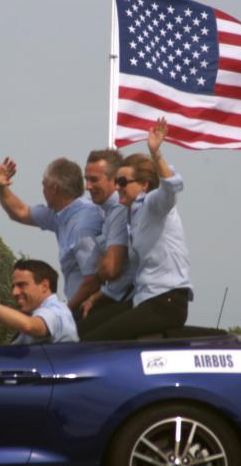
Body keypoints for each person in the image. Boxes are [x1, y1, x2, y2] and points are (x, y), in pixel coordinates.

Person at [83, 118, 193, 341]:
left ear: (143, 185)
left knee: (96, 341)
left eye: (123, 182)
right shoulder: (130, 216)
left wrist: (156, 153)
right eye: (115, 181)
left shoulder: (154, 205)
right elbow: (132, 273)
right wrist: (98, 297)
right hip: (144, 299)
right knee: (83, 328)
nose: (116, 187)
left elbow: (172, 187)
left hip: (166, 301)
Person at [0, 157, 102, 311]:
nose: (42, 191)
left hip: (92, 308)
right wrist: (0, 186)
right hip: (80, 306)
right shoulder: (61, 213)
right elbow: (21, 212)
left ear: (54, 188)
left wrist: (65, 313)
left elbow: (93, 280)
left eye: (44, 185)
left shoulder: (82, 227)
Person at [77, 149, 136, 338]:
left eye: (94, 180)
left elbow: (110, 269)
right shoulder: (106, 211)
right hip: (119, 295)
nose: (87, 186)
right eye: (86, 179)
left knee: (79, 335)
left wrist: (100, 267)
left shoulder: (118, 210)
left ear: (114, 180)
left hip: (127, 298)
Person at [0, 259, 78, 344]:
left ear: (44, 285)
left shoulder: (55, 312)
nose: (14, 292)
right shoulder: (38, 313)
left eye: (22, 285)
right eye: (13, 287)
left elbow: (30, 326)